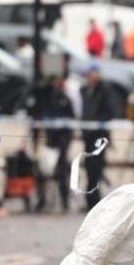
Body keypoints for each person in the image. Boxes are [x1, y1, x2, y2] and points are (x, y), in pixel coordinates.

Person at [80, 66, 119, 209]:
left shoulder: (105, 90)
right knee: (89, 167)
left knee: (96, 168)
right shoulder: (85, 90)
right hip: (88, 136)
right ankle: (91, 199)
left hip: (99, 136)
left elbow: (112, 111)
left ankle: (95, 200)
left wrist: (97, 122)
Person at [38, 76, 76, 212]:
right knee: (43, 171)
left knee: (62, 173)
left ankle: (64, 202)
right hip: (50, 144)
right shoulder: (48, 100)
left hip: (62, 143)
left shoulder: (66, 100)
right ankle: (42, 200)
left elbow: (71, 122)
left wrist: (65, 142)